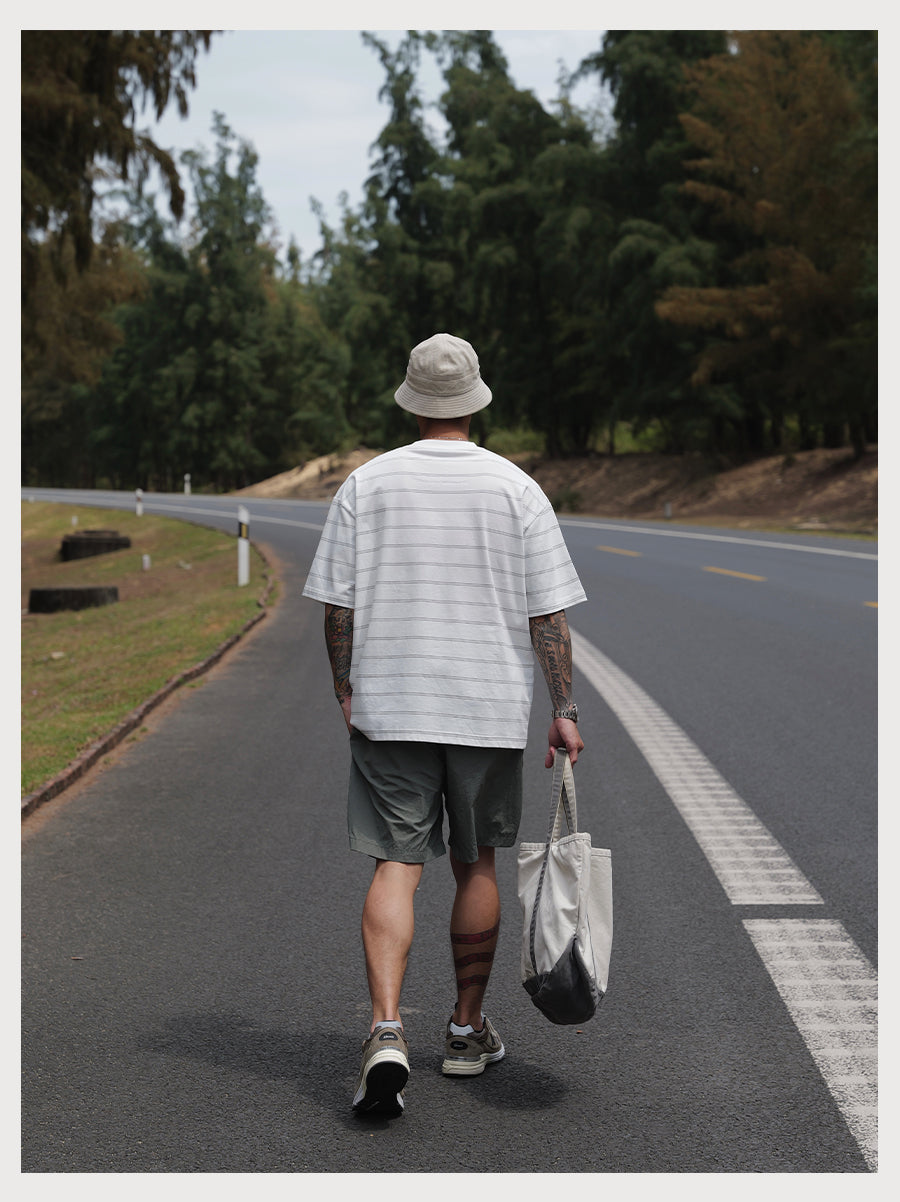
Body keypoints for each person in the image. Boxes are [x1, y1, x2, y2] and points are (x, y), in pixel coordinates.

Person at [302, 332, 586, 1117]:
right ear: (475, 400)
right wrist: (562, 709)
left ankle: (386, 1028)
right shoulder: (517, 489)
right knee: (477, 865)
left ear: (410, 399)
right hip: (486, 709)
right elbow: (547, 615)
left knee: (397, 864)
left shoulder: (366, 484)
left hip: (391, 704)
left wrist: (345, 687)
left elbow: (338, 606)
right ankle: (464, 1030)